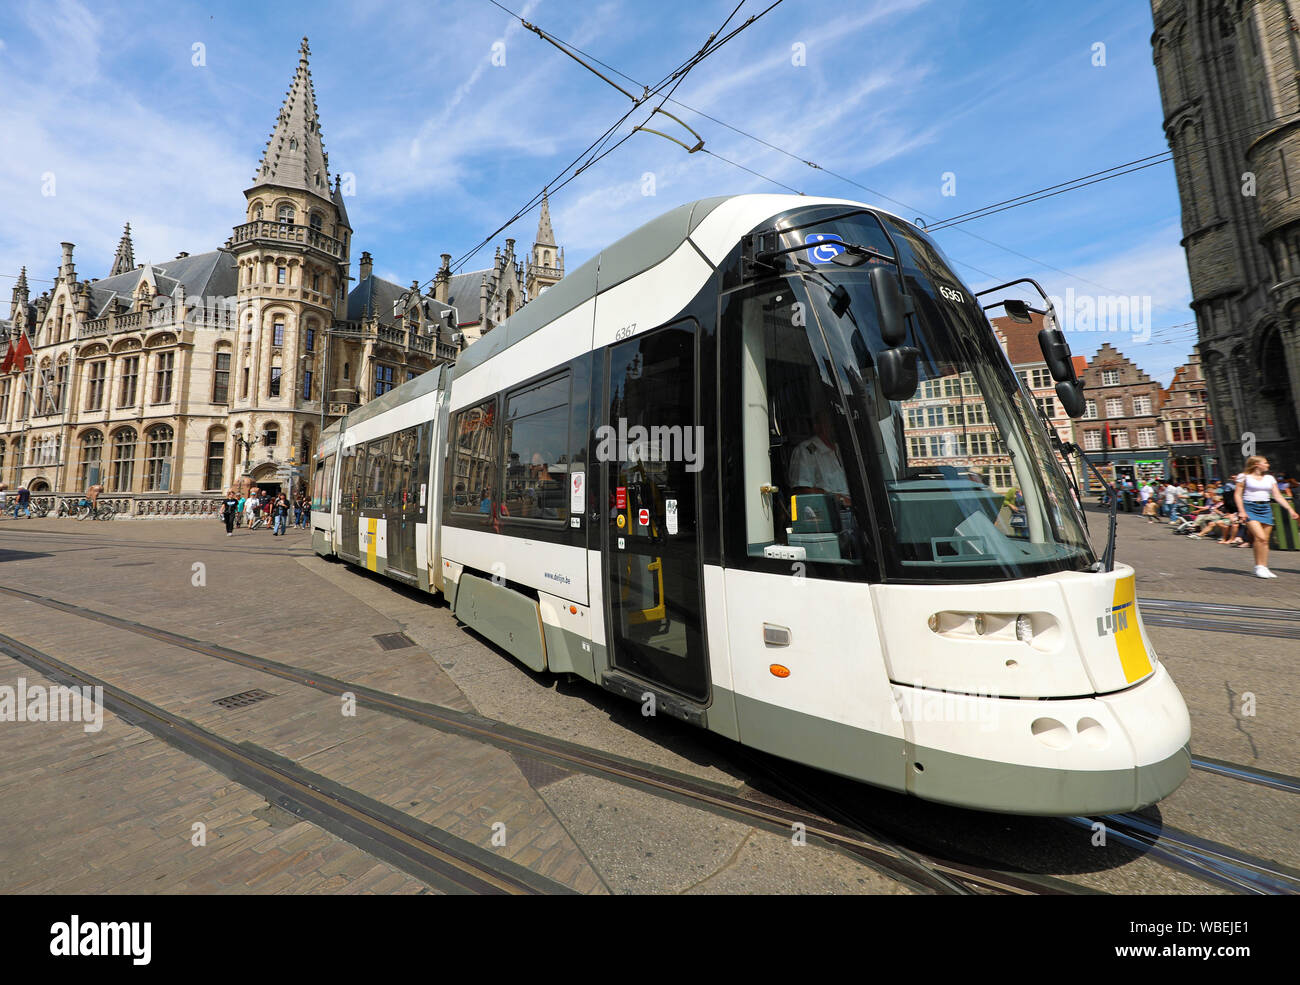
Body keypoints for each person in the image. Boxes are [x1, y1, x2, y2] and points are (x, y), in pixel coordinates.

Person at [1234, 455, 1298, 578]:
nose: (1268, 465)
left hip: (1265, 508)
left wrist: (1290, 509)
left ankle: (1263, 566)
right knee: (1260, 537)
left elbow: (1277, 496)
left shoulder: (1269, 478)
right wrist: (1241, 511)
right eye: (1265, 463)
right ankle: (1259, 566)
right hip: (1249, 507)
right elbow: (1237, 495)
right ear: (1257, 464)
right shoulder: (1244, 477)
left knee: (1264, 540)